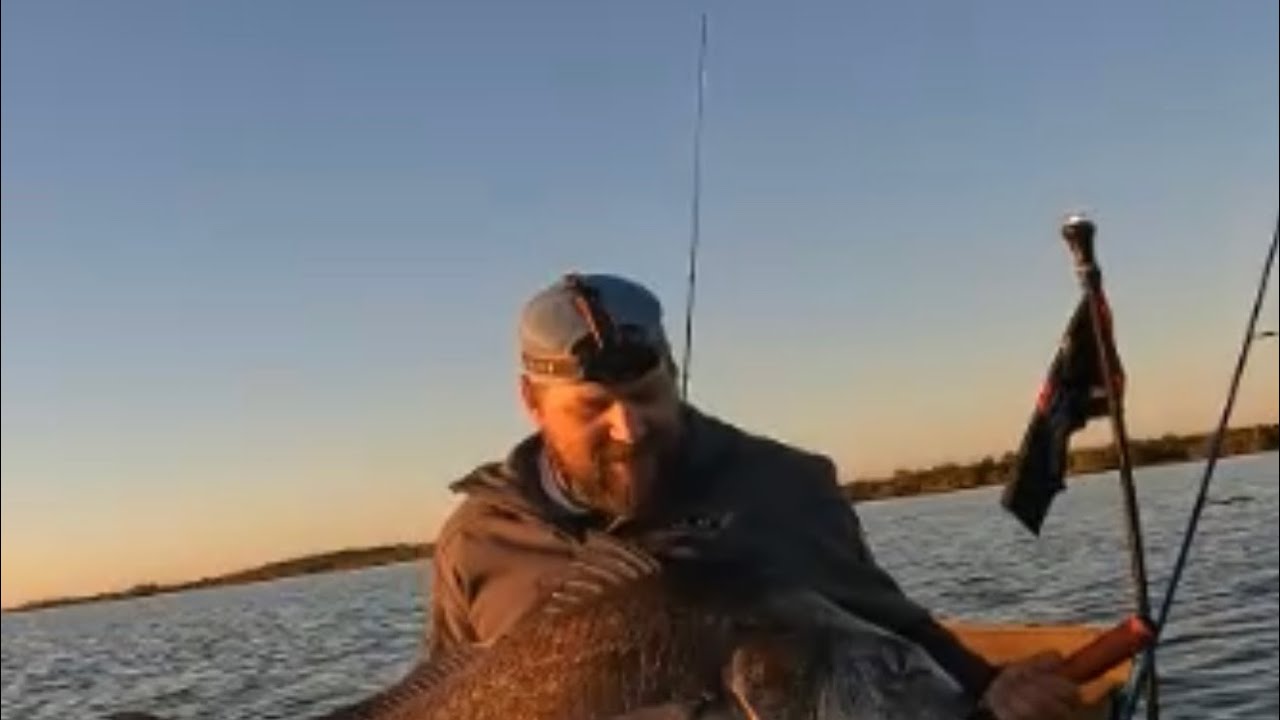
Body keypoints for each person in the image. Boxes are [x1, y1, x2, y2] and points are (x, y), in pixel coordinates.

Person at [427, 271, 1082, 720]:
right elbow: (446, 684)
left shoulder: (788, 487)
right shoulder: (476, 539)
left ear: (674, 376)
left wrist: (996, 687)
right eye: (594, 407)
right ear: (531, 403)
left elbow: (896, 633)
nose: (628, 427)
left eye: (647, 396)